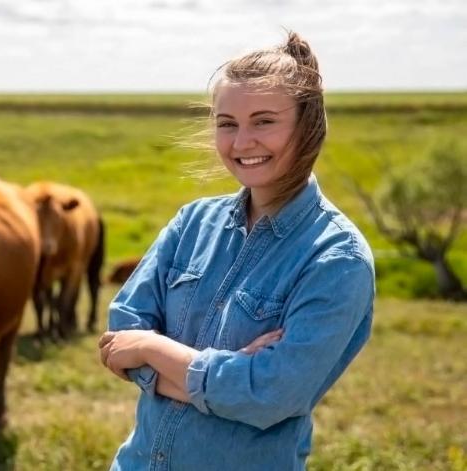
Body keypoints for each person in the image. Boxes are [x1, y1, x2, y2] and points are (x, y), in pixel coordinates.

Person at [98, 31, 375, 470]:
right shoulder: (192, 222)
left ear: (307, 126)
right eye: (227, 123)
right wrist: (228, 382)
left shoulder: (336, 258)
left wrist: (152, 349)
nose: (242, 142)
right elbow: (120, 333)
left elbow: (271, 396)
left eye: (264, 121)